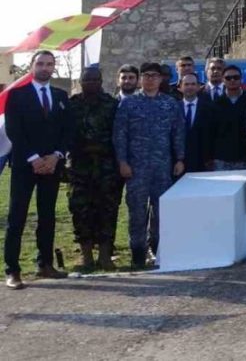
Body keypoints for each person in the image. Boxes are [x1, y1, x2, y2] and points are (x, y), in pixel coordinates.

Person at [3, 51, 73, 289]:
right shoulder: (17, 95)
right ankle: (12, 270)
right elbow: (14, 130)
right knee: (17, 218)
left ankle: (45, 265)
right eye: (40, 63)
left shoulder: (61, 96)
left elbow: (67, 131)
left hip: (52, 166)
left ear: (54, 68)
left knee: (47, 216)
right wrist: (33, 158)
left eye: (50, 64)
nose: (45, 68)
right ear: (32, 66)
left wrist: (56, 156)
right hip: (25, 165)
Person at [114, 62, 185, 269]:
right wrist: (123, 162)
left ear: (161, 79)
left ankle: (158, 251)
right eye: (146, 76)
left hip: (163, 168)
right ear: (140, 79)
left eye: (154, 76)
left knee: (161, 213)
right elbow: (120, 135)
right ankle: (137, 254)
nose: (150, 79)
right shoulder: (129, 104)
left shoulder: (170, 103)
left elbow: (178, 133)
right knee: (137, 212)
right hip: (136, 169)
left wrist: (180, 158)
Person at [67, 68, 123, 271]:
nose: (91, 83)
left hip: (107, 166)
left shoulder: (112, 104)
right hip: (80, 167)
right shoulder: (72, 105)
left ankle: (105, 255)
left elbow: (119, 134)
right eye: (86, 80)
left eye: (95, 80)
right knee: (80, 210)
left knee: (107, 209)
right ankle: (86, 256)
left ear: (101, 81)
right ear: (81, 82)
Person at [211, 65, 246, 170]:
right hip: (222, 159)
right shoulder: (215, 104)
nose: (232, 80)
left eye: (236, 77)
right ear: (223, 80)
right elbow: (210, 133)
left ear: (241, 79)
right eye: (228, 78)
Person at [179, 73, 216, 173]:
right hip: (179, 163)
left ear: (199, 87)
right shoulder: (174, 108)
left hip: (203, 163)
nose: (190, 87)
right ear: (180, 87)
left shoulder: (209, 108)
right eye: (186, 84)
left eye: (193, 84)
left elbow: (213, 135)